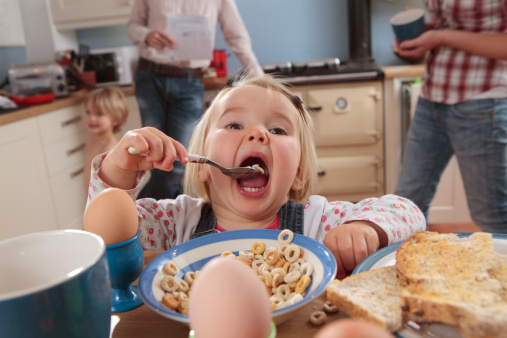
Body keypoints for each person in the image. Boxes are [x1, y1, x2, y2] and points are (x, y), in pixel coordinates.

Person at [86, 75, 425, 278]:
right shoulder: (175, 223)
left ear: (298, 173)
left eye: (277, 129)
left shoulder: (319, 222)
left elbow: (407, 212)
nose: (258, 134)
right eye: (234, 125)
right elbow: (106, 238)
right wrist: (118, 171)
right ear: (201, 163)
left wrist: (364, 229)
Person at [127, 0, 263, 200]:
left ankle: (138, 212)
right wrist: (146, 35)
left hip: (190, 82)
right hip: (150, 77)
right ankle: (169, 222)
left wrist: (258, 78)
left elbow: (237, 36)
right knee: (154, 158)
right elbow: (133, 27)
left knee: (179, 164)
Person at [394, 1, 507, 234]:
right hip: (432, 97)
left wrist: (440, 37)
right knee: (405, 203)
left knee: (492, 214)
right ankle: (407, 267)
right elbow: (463, 20)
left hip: (482, 100)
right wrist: (425, 31)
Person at [83, 86, 129, 189]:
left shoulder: (110, 149)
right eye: (88, 112)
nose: (92, 118)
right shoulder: (93, 140)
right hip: (92, 198)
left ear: (116, 119)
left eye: (99, 114)